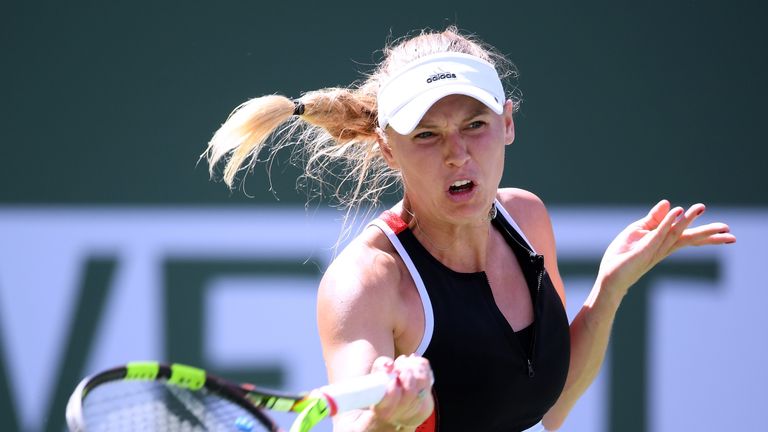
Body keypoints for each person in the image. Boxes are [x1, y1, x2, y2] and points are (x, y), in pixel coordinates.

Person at [204, 27, 736, 432]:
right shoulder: (366, 284)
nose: (457, 155)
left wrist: (609, 290)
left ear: (507, 123)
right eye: (428, 135)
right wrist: (391, 418)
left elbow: (548, 407)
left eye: (474, 126)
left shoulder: (527, 220)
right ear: (389, 149)